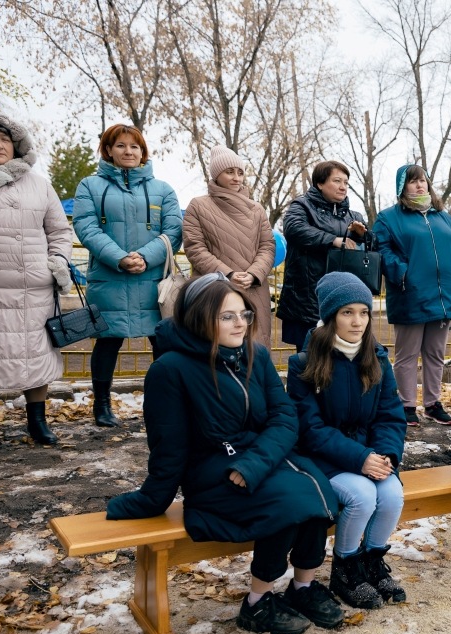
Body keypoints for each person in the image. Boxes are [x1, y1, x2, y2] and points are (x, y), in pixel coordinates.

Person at [106, 274, 344, 634]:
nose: (240, 324)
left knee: (319, 492)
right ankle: (256, 603)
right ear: (200, 317)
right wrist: (149, 501)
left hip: (260, 462)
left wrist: (255, 462)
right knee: (289, 502)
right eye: (226, 316)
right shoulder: (170, 370)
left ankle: (303, 587)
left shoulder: (256, 355)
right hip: (214, 475)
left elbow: (284, 417)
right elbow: (169, 449)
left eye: (243, 315)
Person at [288, 272, 407, 610]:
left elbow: (391, 416)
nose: (358, 321)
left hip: (369, 454)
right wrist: (360, 458)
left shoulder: (377, 358)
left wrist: (385, 456)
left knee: (393, 494)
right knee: (361, 495)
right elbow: (310, 429)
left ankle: (370, 563)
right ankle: (345, 568)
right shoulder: (304, 364)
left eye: (364, 312)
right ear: (329, 316)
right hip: (322, 458)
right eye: (347, 312)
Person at [0, 111, 73, 452]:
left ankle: (38, 422)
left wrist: (58, 262)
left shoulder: (38, 184)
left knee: (34, 354)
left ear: (17, 145)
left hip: (30, 286)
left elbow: (59, 230)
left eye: (5, 139)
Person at [73, 124, 183, 428]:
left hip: (153, 281)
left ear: (143, 151)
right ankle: (102, 404)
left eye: (134, 146)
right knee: (108, 341)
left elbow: (173, 231)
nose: (128, 152)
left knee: (162, 343)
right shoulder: (89, 186)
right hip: (110, 277)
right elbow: (86, 227)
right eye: (120, 146)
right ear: (108, 150)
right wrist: (119, 258)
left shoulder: (163, 189)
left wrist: (145, 258)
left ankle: (163, 403)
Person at [375, 164, 451, 427]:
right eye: (412, 182)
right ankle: (406, 404)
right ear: (402, 187)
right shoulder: (388, 218)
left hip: (444, 296)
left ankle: (432, 403)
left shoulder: (443, 217)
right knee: (407, 354)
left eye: (423, 181)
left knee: (435, 353)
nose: (419, 185)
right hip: (410, 294)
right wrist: (403, 274)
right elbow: (382, 249)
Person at [183, 145, 275, 349]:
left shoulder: (257, 209)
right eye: (229, 172)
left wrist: (253, 274)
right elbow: (194, 248)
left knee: (254, 349)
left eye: (240, 172)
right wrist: (227, 274)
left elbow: (267, 246)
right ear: (216, 175)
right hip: (214, 288)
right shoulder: (198, 205)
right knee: (214, 349)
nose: (236, 178)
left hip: (253, 288)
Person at [277, 160, 367, 349]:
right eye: (337, 181)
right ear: (320, 183)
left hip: (343, 299)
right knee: (309, 360)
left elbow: (369, 248)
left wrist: (361, 236)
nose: (343, 187)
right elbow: (294, 229)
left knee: (341, 359)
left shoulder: (354, 216)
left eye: (346, 182)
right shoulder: (301, 206)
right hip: (306, 300)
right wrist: (332, 240)